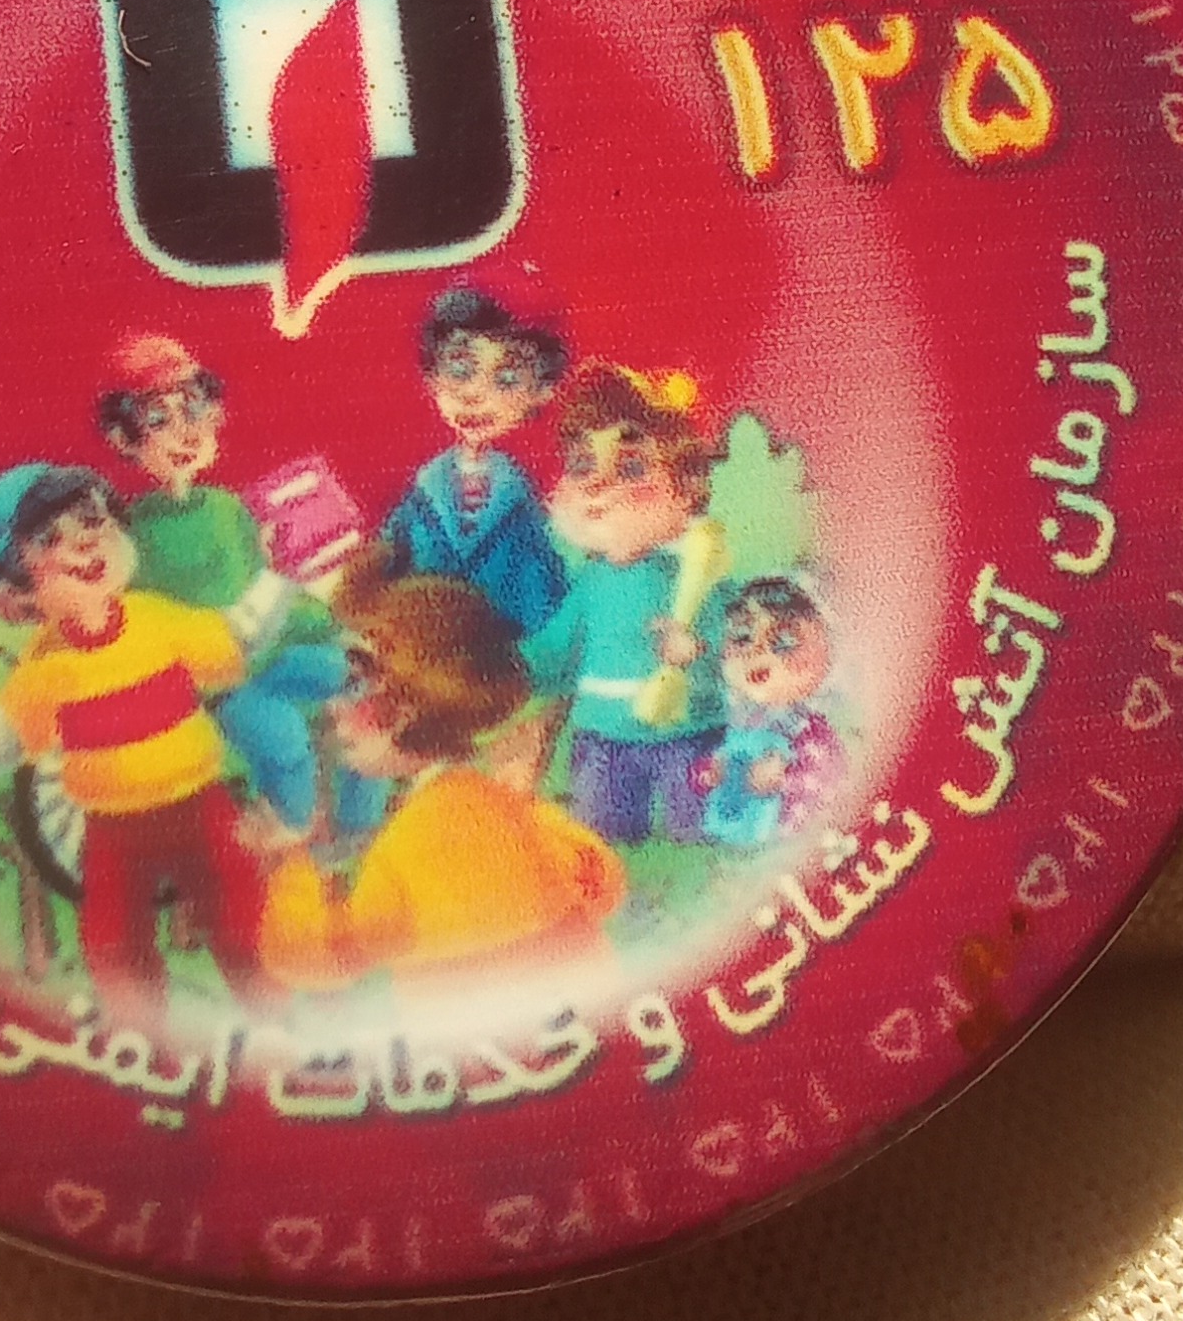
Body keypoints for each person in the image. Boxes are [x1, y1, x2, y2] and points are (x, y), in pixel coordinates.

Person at [0, 461, 270, 1007]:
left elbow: (232, 644)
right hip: (110, 826)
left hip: (199, 802)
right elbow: (0, 739)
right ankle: (139, 1030)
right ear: (19, 576)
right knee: (115, 941)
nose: (83, 543)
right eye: (49, 539)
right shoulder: (41, 664)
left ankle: (274, 1014)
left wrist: (272, 578)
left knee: (239, 909)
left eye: (91, 520)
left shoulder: (156, 617)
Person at [257, 547, 625, 989]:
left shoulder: (408, 846)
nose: (333, 707)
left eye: (351, 684)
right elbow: (602, 880)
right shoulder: (509, 809)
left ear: (408, 708)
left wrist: (291, 867)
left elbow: (319, 956)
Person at [96, 333, 345, 833]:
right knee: (282, 735)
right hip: (216, 688)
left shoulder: (228, 508)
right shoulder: (135, 535)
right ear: (124, 440)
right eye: (158, 419)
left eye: (193, 409)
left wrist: (327, 621)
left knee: (356, 676)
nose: (184, 431)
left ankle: (357, 823)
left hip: (271, 654)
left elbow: (266, 588)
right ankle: (291, 833)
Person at [520, 362, 734, 848]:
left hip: (688, 732)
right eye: (582, 465)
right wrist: (510, 669)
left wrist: (698, 645)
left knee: (696, 834)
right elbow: (558, 647)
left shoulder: (692, 572)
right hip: (602, 739)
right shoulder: (592, 582)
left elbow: (727, 626)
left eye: (632, 468)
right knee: (602, 837)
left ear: (687, 491)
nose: (598, 484)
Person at [381, 283, 568, 635]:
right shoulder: (420, 497)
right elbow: (386, 567)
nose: (475, 394)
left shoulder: (526, 508)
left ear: (543, 391)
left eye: (507, 378)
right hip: (420, 648)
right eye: (460, 370)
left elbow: (543, 598)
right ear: (432, 376)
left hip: (500, 652)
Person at [698, 577, 846, 845]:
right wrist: (711, 772)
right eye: (743, 638)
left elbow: (831, 787)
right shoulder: (736, 718)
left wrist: (783, 779)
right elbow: (700, 777)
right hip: (733, 834)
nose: (758, 653)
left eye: (784, 643)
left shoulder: (809, 731)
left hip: (790, 842)